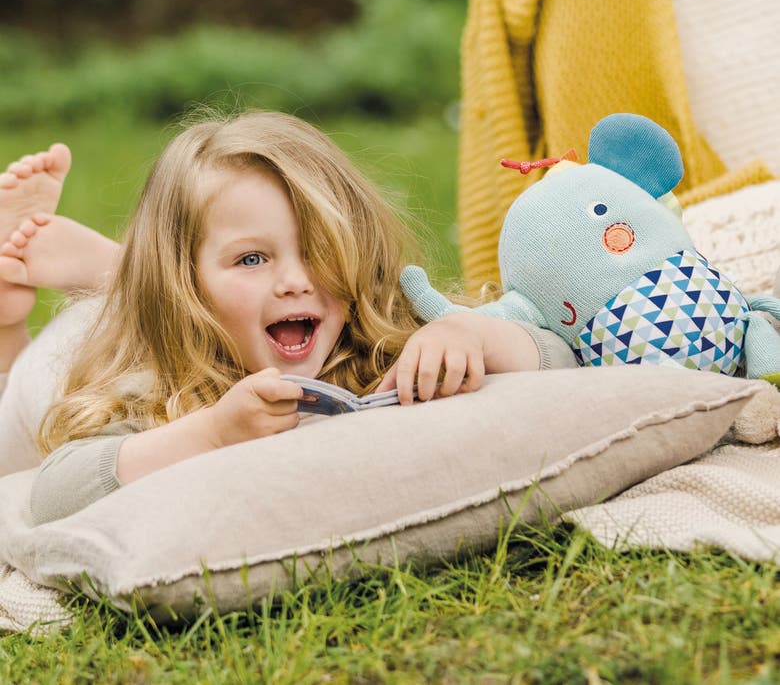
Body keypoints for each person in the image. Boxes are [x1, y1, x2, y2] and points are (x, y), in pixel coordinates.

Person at [0, 111, 575, 524]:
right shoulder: (151, 380)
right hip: (58, 363)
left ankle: (121, 273)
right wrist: (214, 431)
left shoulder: (377, 340)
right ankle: (24, 317)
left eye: (320, 249)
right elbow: (55, 492)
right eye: (253, 257)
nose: (298, 280)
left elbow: (561, 359)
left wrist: (471, 333)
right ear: (184, 288)